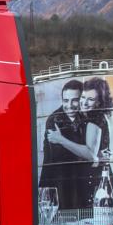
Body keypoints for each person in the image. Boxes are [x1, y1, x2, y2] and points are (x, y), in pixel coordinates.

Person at [38, 79, 86, 209]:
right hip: (58, 182)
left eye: (74, 100)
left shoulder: (84, 117)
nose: (69, 105)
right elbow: (61, 156)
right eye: (66, 100)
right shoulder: (55, 119)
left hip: (78, 180)